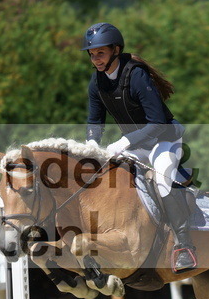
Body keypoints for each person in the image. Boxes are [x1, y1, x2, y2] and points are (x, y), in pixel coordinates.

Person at [82, 22, 197, 273]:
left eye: (100, 52)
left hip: (164, 139)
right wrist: (91, 147)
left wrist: (124, 142)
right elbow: (95, 121)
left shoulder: (135, 74)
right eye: (92, 54)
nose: (95, 59)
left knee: (162, 179)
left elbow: (157, 123)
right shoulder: (97, 81)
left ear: (115, 49)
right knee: (112, 178)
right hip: (137, 144)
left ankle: (184, 246)